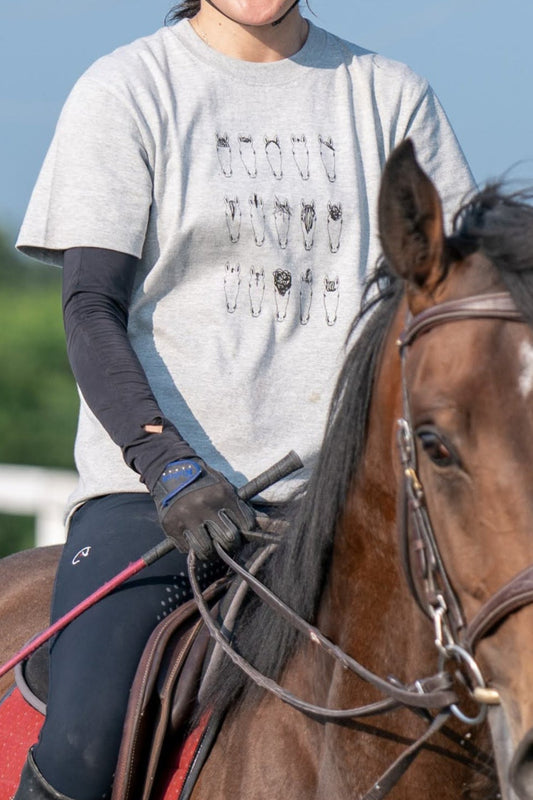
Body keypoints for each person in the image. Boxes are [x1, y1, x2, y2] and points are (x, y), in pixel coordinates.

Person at [13, 1, 475, 797]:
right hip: (160, 499)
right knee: (83, 745)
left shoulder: (391, 97)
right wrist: (167, 465)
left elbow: (454, 307)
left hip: (351, 512)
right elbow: (90, 309)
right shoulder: (128, 88)